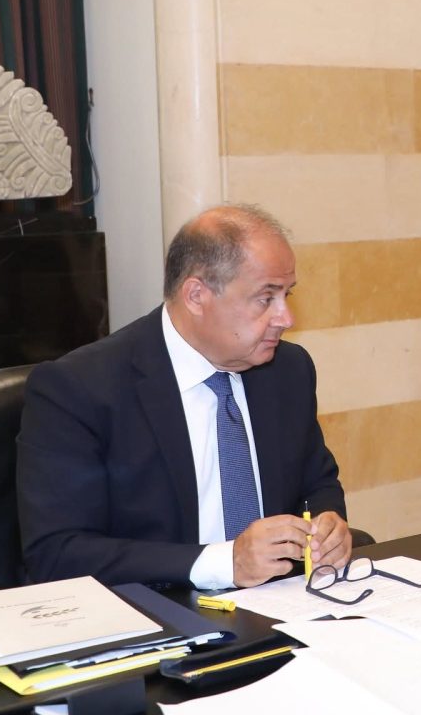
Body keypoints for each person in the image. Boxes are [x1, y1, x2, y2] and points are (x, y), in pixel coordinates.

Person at [18, 204, 351, 589]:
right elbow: (58, 553)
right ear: (196, 295)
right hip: (159, 608)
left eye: (286, 295)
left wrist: (326, 525)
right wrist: (225, 562)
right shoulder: (80, 389)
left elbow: (316, 483)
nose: (286, 318)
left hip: (281, 601)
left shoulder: (288, 370)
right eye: (266, 298)